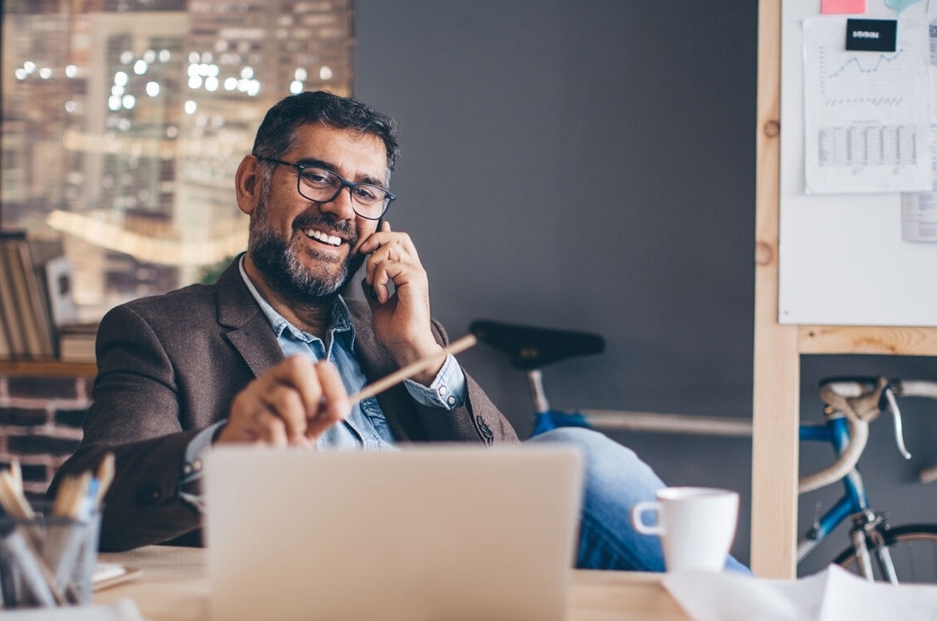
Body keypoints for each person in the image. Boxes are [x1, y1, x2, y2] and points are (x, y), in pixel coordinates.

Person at [51, 90, 747, 573]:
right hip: (314, 587)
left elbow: (511, 479)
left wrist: (424, 356)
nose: (340, 210)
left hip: (461, 574)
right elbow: (88, 501)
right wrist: (226, 448)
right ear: (250, 185)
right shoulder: (160, 332)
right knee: (579, 459)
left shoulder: (398, 335)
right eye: (317, 177)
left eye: (365, 191)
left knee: (574, 464)